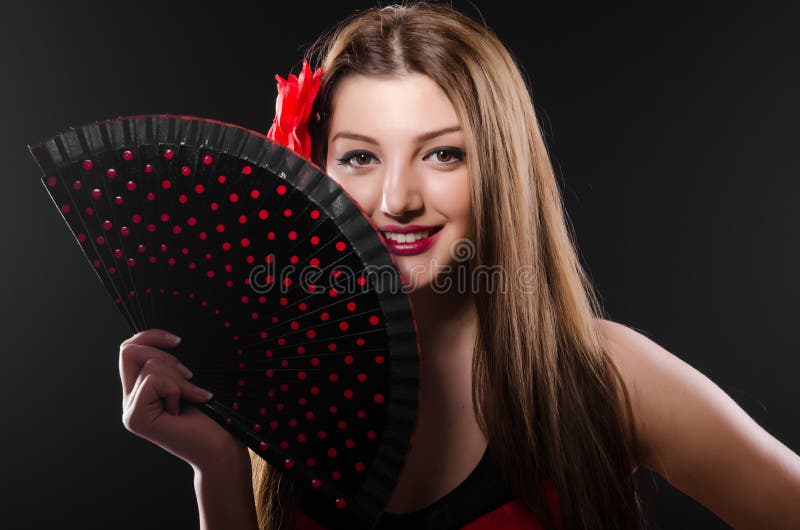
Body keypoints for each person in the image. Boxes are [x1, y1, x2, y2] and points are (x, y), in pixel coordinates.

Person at [118, 2, 800, 529]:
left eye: (443, 154)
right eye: (360, 156)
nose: (397, 199)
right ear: (312, 170)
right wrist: (219, 471)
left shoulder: (603, 377)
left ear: (500, 168)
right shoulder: (285, 388)